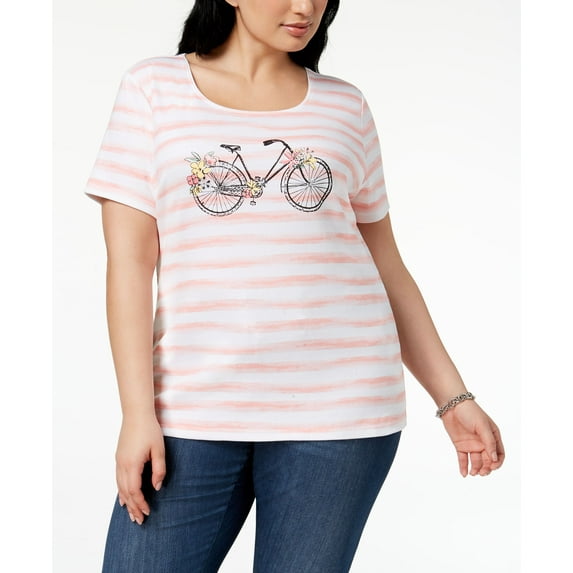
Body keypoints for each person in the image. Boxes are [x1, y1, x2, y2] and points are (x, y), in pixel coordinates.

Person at [85, 1, 505, 571]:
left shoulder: (345, 106)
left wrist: (454, 399)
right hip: (191, 411)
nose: (305, 7)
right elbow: (130, 266)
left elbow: (385, 265)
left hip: (341, 411)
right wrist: (137, 414)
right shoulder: (152, 89)